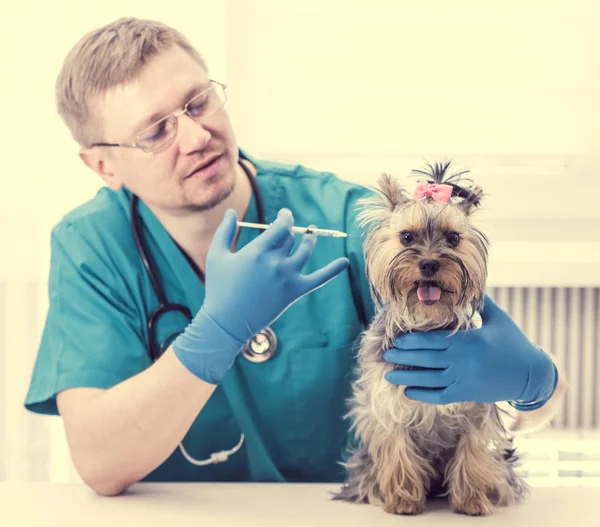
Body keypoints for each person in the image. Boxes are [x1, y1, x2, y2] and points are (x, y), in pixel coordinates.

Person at [24, 17, 564, 497]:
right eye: (156, 130)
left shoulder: (345, 219)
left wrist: (534, 383)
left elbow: (511, 390)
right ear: (103, 166)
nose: (195, 135)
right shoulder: (91, 249)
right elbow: (99, 464)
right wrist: (214, 335)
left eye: (198, 101)